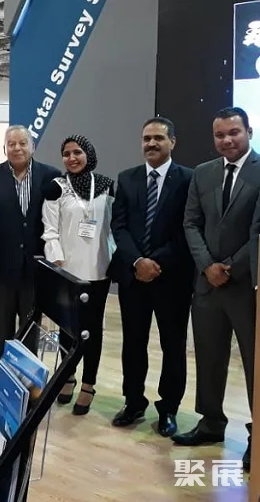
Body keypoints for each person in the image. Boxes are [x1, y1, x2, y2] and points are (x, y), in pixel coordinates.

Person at [174, 107, 259, 472]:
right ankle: (211, 422)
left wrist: (232, 268)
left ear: (249, 132)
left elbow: (259, 231)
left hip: (247, 286)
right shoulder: (203, 173)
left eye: (233, 132)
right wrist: (207, 266)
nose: (226, 140)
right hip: (207, 284)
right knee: (209, 357)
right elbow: (190, 223)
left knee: (255, 363)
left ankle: (258, 434)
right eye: (220, 134)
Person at [109, 118, 194, 436]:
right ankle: (133, 402)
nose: (151, 143)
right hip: (134, 278)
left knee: (173, 346)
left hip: (172, 278)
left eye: (159, 138)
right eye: (146, 138)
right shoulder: (127, 178)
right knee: (133, 343)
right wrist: (137, 261)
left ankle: (168, 408)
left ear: (173, 142)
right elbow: (119, 226)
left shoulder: (189, 179)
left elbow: (187, 228)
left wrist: (155, 262)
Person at [42, 135, 114, 416]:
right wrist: (57, 262)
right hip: (68, 271)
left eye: (78, 152)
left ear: (89, 154)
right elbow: (50, 230)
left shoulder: (107, 185)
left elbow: (112, 227)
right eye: (67, 153)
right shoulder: (56, 187)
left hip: (99, 269)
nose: (72, 158)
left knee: (93, 330)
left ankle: (88, 385)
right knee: (67, 329)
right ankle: (68, 376)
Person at [0, 125, 60, 358]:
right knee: (1, 326)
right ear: (5, 148)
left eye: (23, 143)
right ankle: (0, 374)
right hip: (0, 268)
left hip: (36, 268)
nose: (17, 148)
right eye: (11, 144)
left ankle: (26, 376)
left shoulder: (51, 175)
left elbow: (56, 221)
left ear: (32, 146)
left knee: (31, 327)